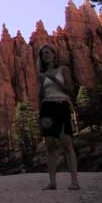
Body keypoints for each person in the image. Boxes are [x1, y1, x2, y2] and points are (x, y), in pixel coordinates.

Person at [37, 44, 80, 190]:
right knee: (49, 144)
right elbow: (41, 96)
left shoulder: (63, 69)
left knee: (67, 143)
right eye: (43, 54)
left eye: (48, 53)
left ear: (54, 54)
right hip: (47, 108)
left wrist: (53, 79)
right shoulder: (43, 74)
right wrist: (42, 84)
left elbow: (69, 89)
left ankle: (74, 182)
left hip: (61, 105)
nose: (45, 56)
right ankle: (52, 182)